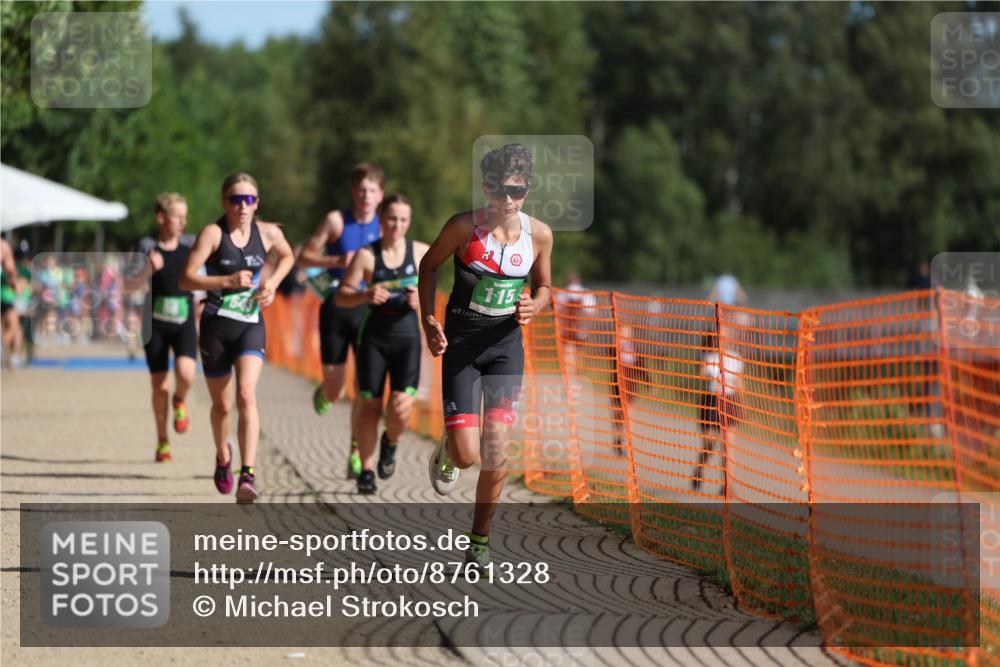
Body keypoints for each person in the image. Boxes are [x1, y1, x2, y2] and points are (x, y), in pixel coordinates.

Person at [419, 144, 553, 570]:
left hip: (505, 347)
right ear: (485, 186)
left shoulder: (540, 235)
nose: (506, 199)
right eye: (497, 189)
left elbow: (546, 286)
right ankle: (448, 449)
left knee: (496, 448)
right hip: (462, 346)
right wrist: (428, 319)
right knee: (466, 456)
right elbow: (428, 266)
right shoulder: (463, 228)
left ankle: (479, 541)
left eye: (516, 190)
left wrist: (537, 304)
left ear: (527, 189)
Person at [181, 173, 294, 503]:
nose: (242, 206)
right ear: (224, 202)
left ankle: (248, 473)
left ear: (257, 203)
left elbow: (287, 256)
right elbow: (186, 279)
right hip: (216, 326)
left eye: (248, 200)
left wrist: (272, 285)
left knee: (246, 394)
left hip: (250, 324)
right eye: (235, 199)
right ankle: (222, 455)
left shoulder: (269, 233)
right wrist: (226, 280)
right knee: (222, 404)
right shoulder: (213, 234)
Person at [335, 194, 428, 494]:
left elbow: (440, 297)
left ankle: (392, 441)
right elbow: (341, 296)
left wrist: (421, 300)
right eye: (391, 218)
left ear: (409, 222)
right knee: (370, 407)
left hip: (407, 339)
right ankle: (366, 470)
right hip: (373, 338)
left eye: (402, 219)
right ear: (381, 220)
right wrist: (364, 295)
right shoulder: (366, 255)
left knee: (401, 408)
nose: (396, 225)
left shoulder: (422, 253)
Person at [299, 163, 384, 479]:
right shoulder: (336, 221)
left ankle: (356, 452)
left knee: (365, 390)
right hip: (336, 307)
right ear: (353, 191)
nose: (366, 195)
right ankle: (325, 392)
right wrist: (336, 260)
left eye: (372, 190)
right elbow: (304, 257)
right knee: (337, 390)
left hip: (369, 311)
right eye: (361, 189)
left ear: (380, 195)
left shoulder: (386, 225)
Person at [139, 193, 198, 463]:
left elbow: (200, 280)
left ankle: (180, 400)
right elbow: (128, 285)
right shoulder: (146, 248)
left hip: (184, 320)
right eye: (178, 216)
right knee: (159, 385)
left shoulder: (190, 249)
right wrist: (148, 270)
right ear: (161, 217)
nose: (183, 222)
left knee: (186, 375)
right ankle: (163, 441)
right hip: (155, 325)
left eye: (185, 217)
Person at [691, 330, 743, 495]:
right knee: (710, 445)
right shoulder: (708, 358)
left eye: (723, 338)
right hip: (712, 402)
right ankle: (699, 469)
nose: (721, 341)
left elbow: (740, 383)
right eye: (717, 338)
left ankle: (727, 485)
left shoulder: (735, 358)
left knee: (728, 446)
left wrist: (743, 406)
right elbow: (701, 378)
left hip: (730, 401)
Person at [1, 238, 23, 370]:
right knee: (14, 327)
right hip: (4, 296)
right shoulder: (3, 246)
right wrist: (15, 283)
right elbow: (11, 270)